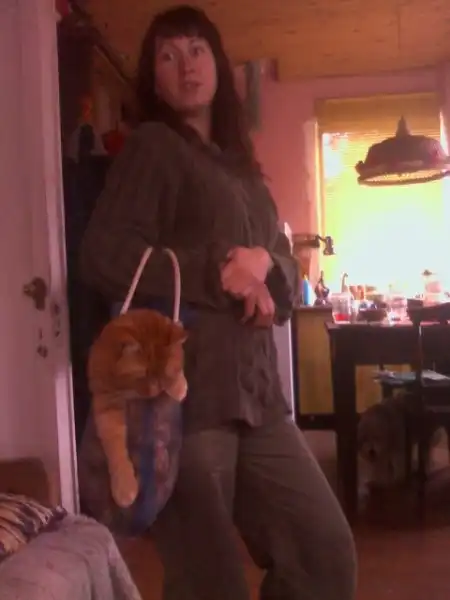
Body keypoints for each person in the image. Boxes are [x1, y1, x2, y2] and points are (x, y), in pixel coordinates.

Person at [79, 5, 356, 599]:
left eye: (197, 50)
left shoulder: (243, 168)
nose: (186, 66)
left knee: (324, 551)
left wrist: (265, 266)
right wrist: (219, 270)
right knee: (211, 584)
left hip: (260, 396)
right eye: (168, 56)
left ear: (217, 64)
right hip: (186, 399)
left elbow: (281, 262)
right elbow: (103, 254)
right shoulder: (153, 147)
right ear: (153, 80)